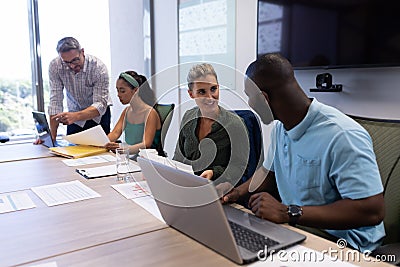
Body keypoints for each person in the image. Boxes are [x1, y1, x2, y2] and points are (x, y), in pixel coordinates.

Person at [222, 53, 385, 252]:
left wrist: (288, 212)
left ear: (264, 98)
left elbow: (372, 211)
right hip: (299, 230)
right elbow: (269, 174)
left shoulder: (342, 135)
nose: (250, 104)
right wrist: (235, 192)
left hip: (345, 245)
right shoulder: (281, 129)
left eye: (250, 97)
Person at [173, 63, 249, 186]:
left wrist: (214, 172)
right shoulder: (188, 117)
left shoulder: (235, 124)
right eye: (202, 92)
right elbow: (178, 158)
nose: (210, 97)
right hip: (187, 188)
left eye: (213, 89)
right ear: (191, 94)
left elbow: (240, 168)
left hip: (217, 190)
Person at [47, 36, 111, 140]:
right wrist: (52, 137)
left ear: (82, 52)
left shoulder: (98, 68)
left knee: (100, 152)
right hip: (73, 113)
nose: (72, 66)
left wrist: (75, 116)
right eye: (66, 62)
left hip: (98, 115)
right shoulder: (55, 66)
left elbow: (100, 105)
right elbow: (55, 102)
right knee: (72, 150)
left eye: (75, 60)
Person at [104, 71, 161, 155]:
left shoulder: (150, 113)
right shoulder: (127, 111)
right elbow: (115, 133)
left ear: (135, 90)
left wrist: (123, 149)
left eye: (122, 91)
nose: (118, 95)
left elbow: (146, 144)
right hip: (130, 157)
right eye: (117, 90)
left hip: (146, 160)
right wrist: (103, 143)